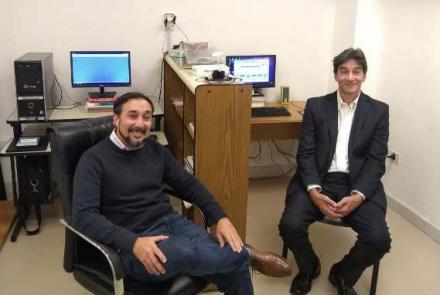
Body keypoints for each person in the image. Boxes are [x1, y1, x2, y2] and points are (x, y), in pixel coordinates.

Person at [72, 92, 291, 295]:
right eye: (133, 116)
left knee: (232, 266)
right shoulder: (93, 160)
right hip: (132, 240)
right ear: (116, 119)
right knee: (194, 253)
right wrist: (133, 242)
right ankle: (247, 255)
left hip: (171, 223)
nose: (140, 124)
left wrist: (220, 218)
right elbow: (83, 217)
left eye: (146, 117)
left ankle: (240, 256)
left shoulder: (155, 149)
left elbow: (190, 185)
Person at [279, 48, 391, 295]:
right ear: (336, 75)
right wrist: (314, 191)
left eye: (356, 71)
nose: (350, 77)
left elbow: (376, 161)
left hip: (358, 182)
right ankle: (309, 268)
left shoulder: (379, 111)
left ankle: (342, 274)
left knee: (379, 238)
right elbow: (305, 153)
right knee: (290, 224)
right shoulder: (316, 106)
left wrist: (359, 195)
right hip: (319, 179)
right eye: (344, 71)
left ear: (363, 76)